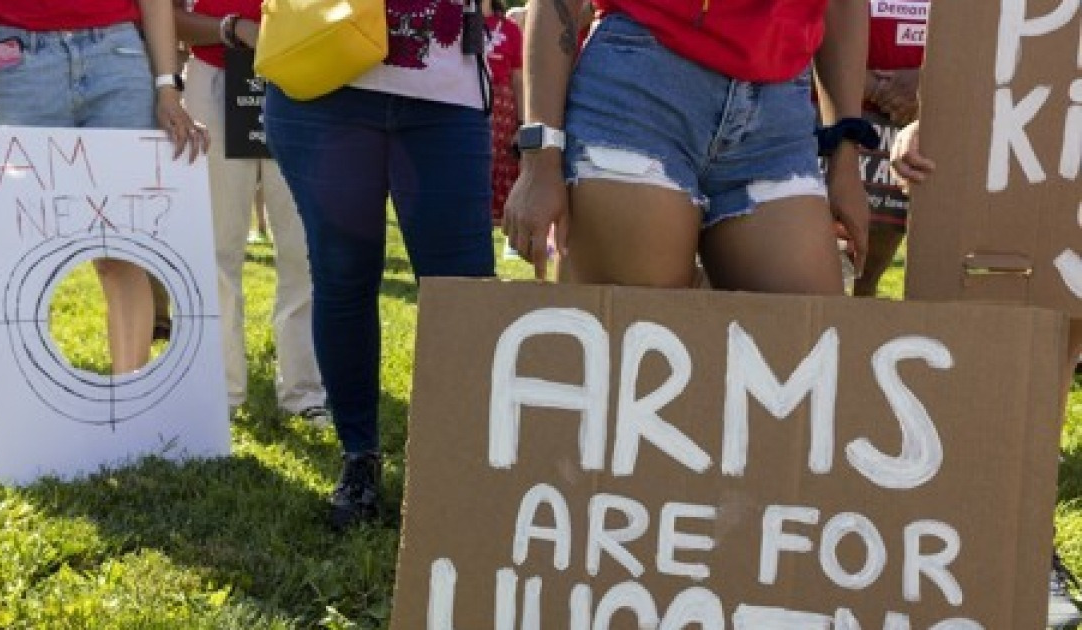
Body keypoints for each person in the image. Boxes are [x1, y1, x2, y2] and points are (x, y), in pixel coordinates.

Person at [263, 2, 496, 530]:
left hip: (446, 96)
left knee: (465, 297)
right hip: (321, 84)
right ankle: (359, 458)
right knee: (343, 276)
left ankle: (463, 463)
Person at [504, 0, 871, 295]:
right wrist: (540, 157)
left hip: (778, 111)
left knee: (803, 351)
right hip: (640, 92)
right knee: (631, 342)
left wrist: (846, 158)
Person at [890, 120, 1082, 629]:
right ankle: (943, 541)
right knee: (966, 345)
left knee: (1056, 337)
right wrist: (935, 121)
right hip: (1013, 158)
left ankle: (1023, 551)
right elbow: (986, 56)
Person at [0, 0, 207, 375]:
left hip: (119, 57)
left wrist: (168, 86)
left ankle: (130, 398)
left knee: (121, 247)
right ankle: (30, 403)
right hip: (21, 64)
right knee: (24, 254)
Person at [173, 0, 330, 426]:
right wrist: (233, 28)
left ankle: (305, 389)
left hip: (302, 79)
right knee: (217, 246)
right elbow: (167, 16)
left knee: (302, 247)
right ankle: (220, 388)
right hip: (214, 78)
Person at [851, 0, 927, 297]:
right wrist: (872, 87)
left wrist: (929, 81)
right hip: (837, 113)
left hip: (928, 121)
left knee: (874, 256)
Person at [484, 0, 523, 225]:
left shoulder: (510, 29)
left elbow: (518, 77)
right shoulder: (456, 22)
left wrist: (522, 121)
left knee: (499, 164)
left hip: (502, 106)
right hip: (468, 97)